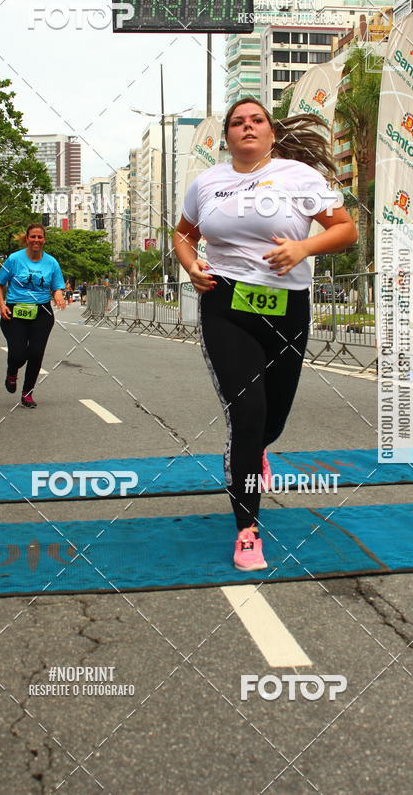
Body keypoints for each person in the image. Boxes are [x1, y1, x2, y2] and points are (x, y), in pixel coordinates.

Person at [173, 99, 357, 572]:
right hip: (226, 304)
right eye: (238, 122)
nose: (247, 127)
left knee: (272, 422)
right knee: (247, 414)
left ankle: (258, 450)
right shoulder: (207, 183)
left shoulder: (299, 177)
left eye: (256, 120)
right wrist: (191, 265)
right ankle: (248, 531)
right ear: (227, 137)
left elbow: (345, 230)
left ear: (271, 133)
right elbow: (183, 234)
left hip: (286, 309)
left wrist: (303, 248)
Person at [0, 223, 66, 408]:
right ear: (27, 239)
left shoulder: (51, 262)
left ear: (44, 240)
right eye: (33, 236)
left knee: (36, 354)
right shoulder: (14, 259)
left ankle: (27, 394)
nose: (36, 240)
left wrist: (58, 294)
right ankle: (12, 372)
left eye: (40, 237)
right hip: (15, 311)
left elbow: (57, 286)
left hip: (42, 312)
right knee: (18, 355)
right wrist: (1, 305)